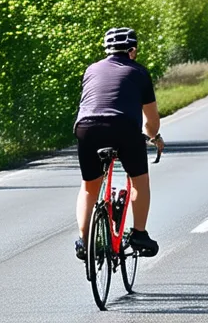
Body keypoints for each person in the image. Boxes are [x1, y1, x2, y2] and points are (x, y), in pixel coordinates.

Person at [73, 27, 166, 261]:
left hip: (87, 127)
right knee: (139, 181)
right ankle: (139, 235)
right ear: (132, 50)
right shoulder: (139, 72)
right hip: (124, 127)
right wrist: (154, 137)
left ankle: (85, 243)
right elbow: (151, 121)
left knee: (88, 187)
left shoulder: (91, 69)